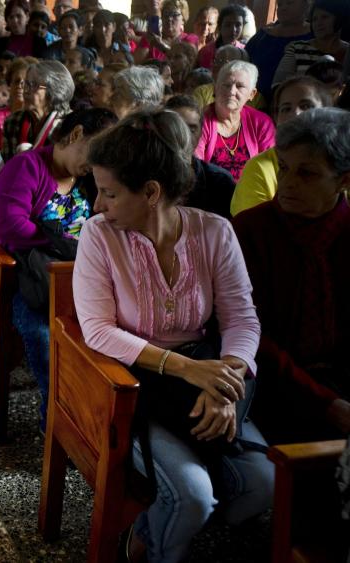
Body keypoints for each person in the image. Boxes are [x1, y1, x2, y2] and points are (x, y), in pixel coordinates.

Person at [74, 109, 273, 563]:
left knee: (264, 485)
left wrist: (224, 385)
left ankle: (172, 526)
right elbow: (98, 330)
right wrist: (189, 369)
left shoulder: (214, 232)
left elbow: (242, 320)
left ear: (151, 193)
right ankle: (153, 537)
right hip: (135, 382)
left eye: (109, 193)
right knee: (192, 495)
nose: (98, 205)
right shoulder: (99, 236)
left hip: (205, 374)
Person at [0, 108, 116, 431]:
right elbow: (8, 226)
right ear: (76, 135)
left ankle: (93, 420)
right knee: (44, 336)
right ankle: (58, 422)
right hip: (33, 283)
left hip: (85, 280)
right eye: (96, 151)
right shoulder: (27, 167)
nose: (97, 163)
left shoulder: (90, 179)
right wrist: (66, 245)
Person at [233, 108, 350, 446]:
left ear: (343, 180)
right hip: (269, 388)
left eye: (307, 173)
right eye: (283, 168)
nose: (286, 183)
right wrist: (326, 404)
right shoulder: (250, 231)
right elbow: (250, 335)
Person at [231, 76, 331, 216]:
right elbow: (253, 225)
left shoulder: (340, 163)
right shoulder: (260, 168)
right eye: (286, 109)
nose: (295, 114)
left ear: (327, 113)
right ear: (276, 119)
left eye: (306, 106)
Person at [195, 60, 275, 182]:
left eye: (240, 86)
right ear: (215, 89)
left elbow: (269, 169)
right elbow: (196, 168)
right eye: (226, 85)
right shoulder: (200, 120)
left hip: (251, 190)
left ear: (252, 94)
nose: (232, 91)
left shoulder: (262, 123)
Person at [165, 94, 237, 218]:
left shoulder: (219, 182)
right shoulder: (146, 176)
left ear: (200, 133)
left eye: (192, 129)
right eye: (178, 127)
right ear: (162, 130)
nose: (185, 136)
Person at [0, 60, 73, 161]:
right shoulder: (13, 121)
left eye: (33, 85)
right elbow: (7, 165)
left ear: (54, 90)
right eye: (26, 84)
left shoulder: (69, 126)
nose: (25, 90)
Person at [244, 0, 311, 101]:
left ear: (305, 5)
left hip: (294, 103)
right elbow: (244, 64)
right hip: (254, 102)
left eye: (289, 3)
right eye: (280, 4)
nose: (283, 8)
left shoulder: (315, 36)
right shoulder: (262, 35)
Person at [272, 0, 349, 87]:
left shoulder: (347, 52)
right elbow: (277, 85)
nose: (318, 23)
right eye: (314, 19)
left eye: (325, 17)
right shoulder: (297, 48)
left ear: (340, 18)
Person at [197, 4, 245, 70]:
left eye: (238, 25)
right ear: (220, 26)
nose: (233, 29)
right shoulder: (206, 52)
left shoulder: (244, 51)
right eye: (228, 25)